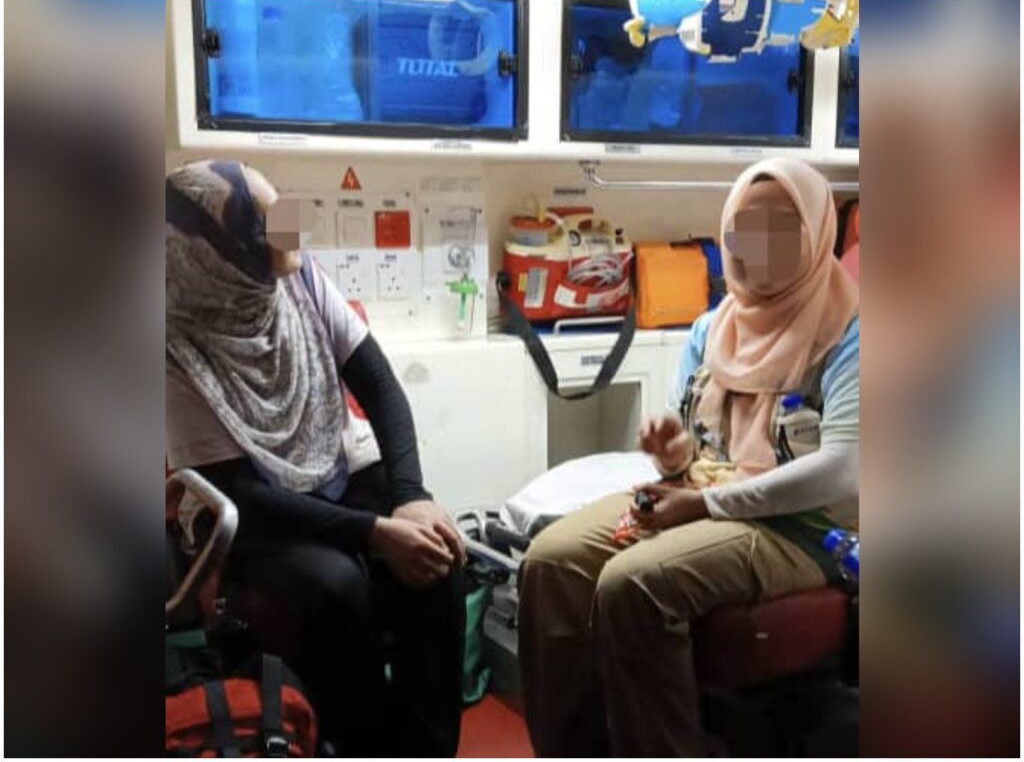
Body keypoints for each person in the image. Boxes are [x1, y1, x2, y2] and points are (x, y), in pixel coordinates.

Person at [518, 157, 860, 757]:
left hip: (805, 527)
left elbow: (842, 469)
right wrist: (673, 456)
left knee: (635, 584)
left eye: (782, 226)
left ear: (816, 233)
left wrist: (704, 502)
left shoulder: (854, 331)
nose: (759, 244)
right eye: (746, 227)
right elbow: (691, 448)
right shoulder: (714, 328)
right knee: (549, 563)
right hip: (706, 493)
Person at [165, 160, 465, 757]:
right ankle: (365, 747)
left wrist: (410, 497)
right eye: (273, 219)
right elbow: (243, 494)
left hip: (333, 467)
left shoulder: (300, 279)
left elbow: (379, 383)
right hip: (250, 512)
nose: (294, 226)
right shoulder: (171, 344)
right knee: (337, 588)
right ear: (221, 252)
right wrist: (374, 532)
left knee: (440, 555)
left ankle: (425, 750)